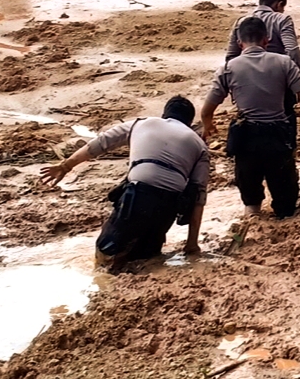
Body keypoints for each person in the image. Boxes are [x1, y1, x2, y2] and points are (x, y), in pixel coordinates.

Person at [201, 15, 300, 223]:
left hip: (246, 139)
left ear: (239, 43)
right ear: (266, 40)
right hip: (278, 138)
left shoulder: (227, 69)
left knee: (251, 199)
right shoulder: (284, 63)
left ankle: (252, 224)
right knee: (286, 203)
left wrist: (208, 125)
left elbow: (207, 110)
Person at [41, 97, 209, 272]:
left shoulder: (140, 123)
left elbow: (100, 144)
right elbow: (199, 195)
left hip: (138, 195)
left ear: (164, 114)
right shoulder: (199, 144)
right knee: (148, 256)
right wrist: (192, 243)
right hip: (170, 204)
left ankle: (103, 279)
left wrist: (66, 166)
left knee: (107, 250)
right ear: (189, 122)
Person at [225, 0, 300, 70]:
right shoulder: (282, 20)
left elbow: (231, 56)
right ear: (279, 5)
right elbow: (292, 50)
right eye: (282, 8)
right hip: (276, 72)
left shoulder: (240, 22)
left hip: (246, 72)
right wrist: (296, 73)